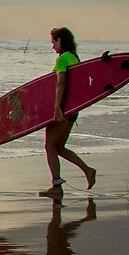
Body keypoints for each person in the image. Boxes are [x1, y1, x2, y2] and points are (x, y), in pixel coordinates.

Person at [41, 26, 97, 198]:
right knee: (59, 147)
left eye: (54, 42)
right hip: (73, 110)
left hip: (62, 110)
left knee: (50, 146)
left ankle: (56, 185)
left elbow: (61, 84)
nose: (53, 47)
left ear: (60, 41)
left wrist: (57, 108)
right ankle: (88, 170)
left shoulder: (62, 59)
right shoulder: (74, 58)